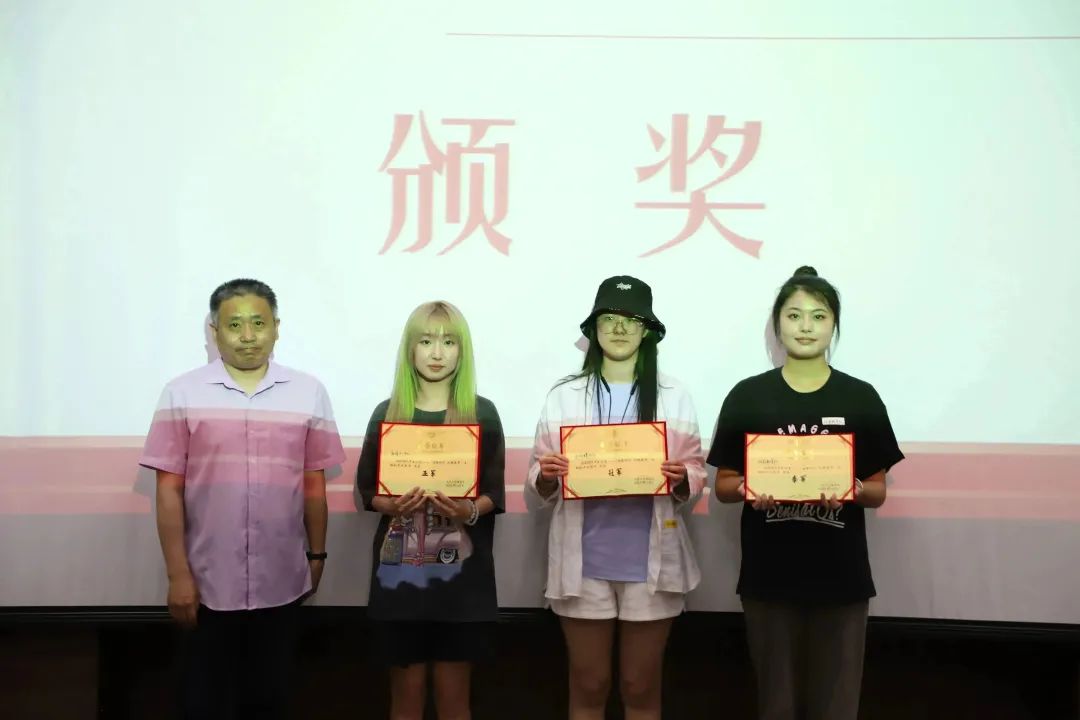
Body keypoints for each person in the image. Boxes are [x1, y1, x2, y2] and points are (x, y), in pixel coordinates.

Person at [139, 278, 345, 719]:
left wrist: (317, 554)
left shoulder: (308, 392)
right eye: (235, 325)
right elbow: (168, 490)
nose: (248, 336)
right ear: (215, 331)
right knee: (204, 702)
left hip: (282, 582)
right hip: (207, 585)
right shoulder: (181, 393)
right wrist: (178, 574)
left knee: (269, 700)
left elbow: (314, 484)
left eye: (259, 323)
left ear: (277, 328)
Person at [709, 266, 905, 720]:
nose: (806, 326)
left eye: (819, 316)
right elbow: (723, 486)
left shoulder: (860, 397)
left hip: (841, 578)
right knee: (775, 703)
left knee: (836, 707)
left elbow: (877, 490)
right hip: (769, 577)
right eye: (794, 315)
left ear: (834, 325)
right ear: (777, 324)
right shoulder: (747, 396)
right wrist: (749, 488)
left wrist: (854, 490)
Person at [526, 275, 705, 720]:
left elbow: (695, 473)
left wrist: (681, 477)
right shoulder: (563, 396)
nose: (620, 328)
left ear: (647, 331)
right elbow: (538, 478)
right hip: (584, 563)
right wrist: (546, 475)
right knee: (589, 684)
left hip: (651, 564)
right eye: (609, 319)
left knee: (639, 687)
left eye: (632, 320)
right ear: (594, 329)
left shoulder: (675, 396)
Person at [356, 301, 505, 720]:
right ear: (410, 348)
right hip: (399, 583)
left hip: (462, 585)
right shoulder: (387, 413)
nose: (437, 353)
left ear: (462, 351)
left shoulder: (482, 412)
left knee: (455, 702)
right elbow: (367, 490)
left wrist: (466, 510)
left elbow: (493, 494)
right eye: (426, 341)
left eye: (448, 342)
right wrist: (390, 503)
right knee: (405, 701)